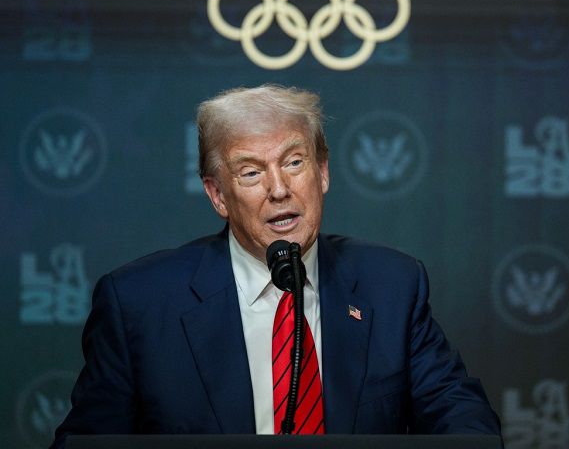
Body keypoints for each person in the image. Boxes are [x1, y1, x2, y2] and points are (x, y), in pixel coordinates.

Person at [51, 84, 502, 447]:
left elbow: (462, 419)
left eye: (294, 162)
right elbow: (87, 443)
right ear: (218, 195)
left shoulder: (392, 285)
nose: (279, 189)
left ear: (322, 172)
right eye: (251, 172)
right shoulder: (139, 304)